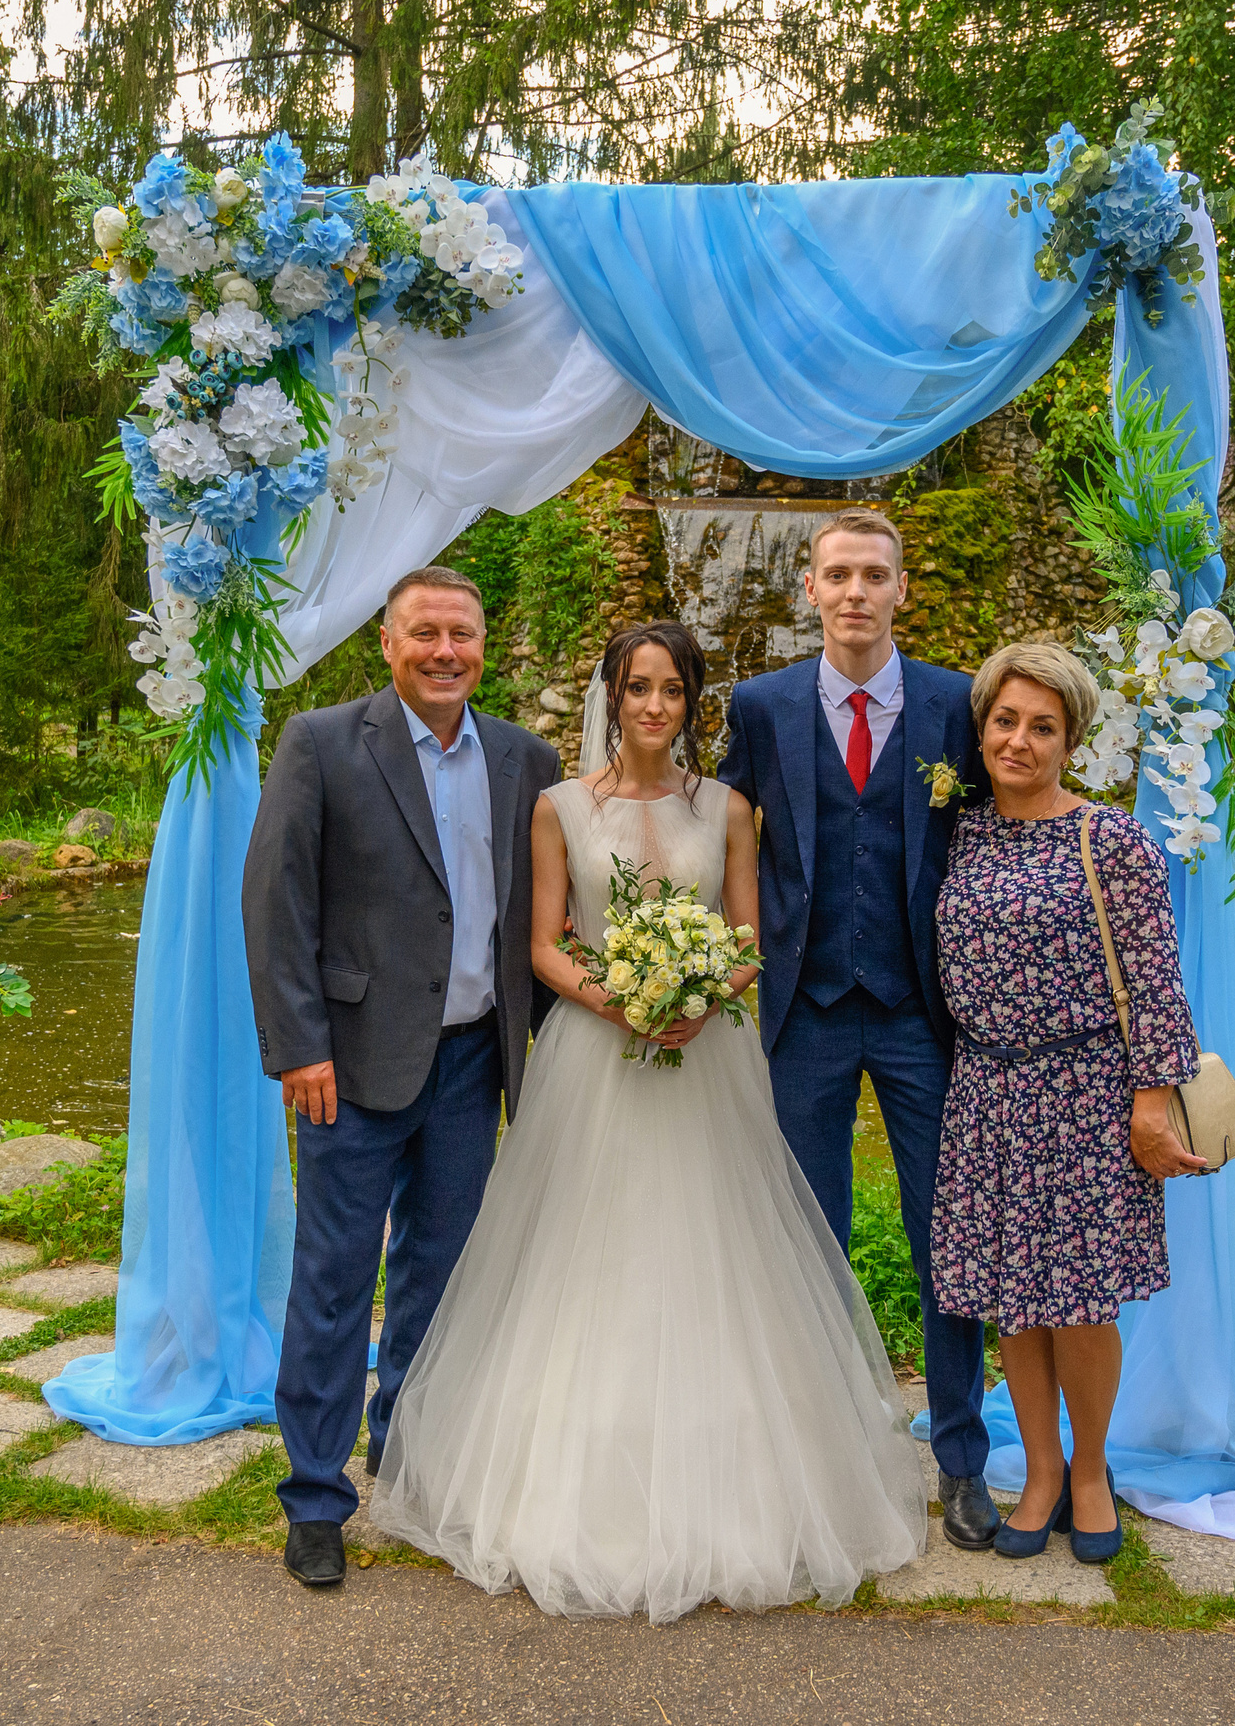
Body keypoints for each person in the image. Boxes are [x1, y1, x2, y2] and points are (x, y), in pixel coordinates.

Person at [372, 621, 925, 1622]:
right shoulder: (558, 808)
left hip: (708, 1059)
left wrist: (703, 994)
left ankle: (743, 1480)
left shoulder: (729, 809)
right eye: (638, 689)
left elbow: (750, 936)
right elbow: (545, 944)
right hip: (599, 1059)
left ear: (692, 703)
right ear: (612, 697)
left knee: (715, 1251)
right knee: (588, 1253)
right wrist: (624, 1000)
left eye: (673, 690)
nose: (655, 707)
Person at [241, 565, 563, 1591]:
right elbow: (277, 900)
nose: (443, 651)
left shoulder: (525, 759)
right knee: (334, 1281)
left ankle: (409, 1455)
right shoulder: (321, 742)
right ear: (387, 643)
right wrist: (299, 1046)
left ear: (483, 646)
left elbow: (542, 914)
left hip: (473, 1060)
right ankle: (314, 1496)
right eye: (424, 632)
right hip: (349, 1062)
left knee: (441, 1274)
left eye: (460, 633)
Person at [713, 508, 1003, 1551]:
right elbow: (720, 832)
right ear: (809, 588)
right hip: (807, 1012)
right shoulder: (761, 705)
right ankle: (820, 1458)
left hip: (927, 1015)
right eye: (837, 574)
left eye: (873, 575)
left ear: (900, 589)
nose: (854, 592)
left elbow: (998, 825)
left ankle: (960, 1459)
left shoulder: (955, 703)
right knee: (807, 1240)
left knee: (948, 1239)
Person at [930, 640, 1203, 1566]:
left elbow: (1157, 982)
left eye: (1042, 727)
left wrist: (1151, 1104)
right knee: (1014, 1298)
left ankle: (1090, 1470)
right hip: (986, 1093)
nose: (1019, 740)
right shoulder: (960, 833)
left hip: (1084, 1096)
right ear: (981, 729)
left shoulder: (1110, 840)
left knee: (1081, 1301)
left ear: (1071, 741)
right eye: (1005, 721)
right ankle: (1039, 1470)